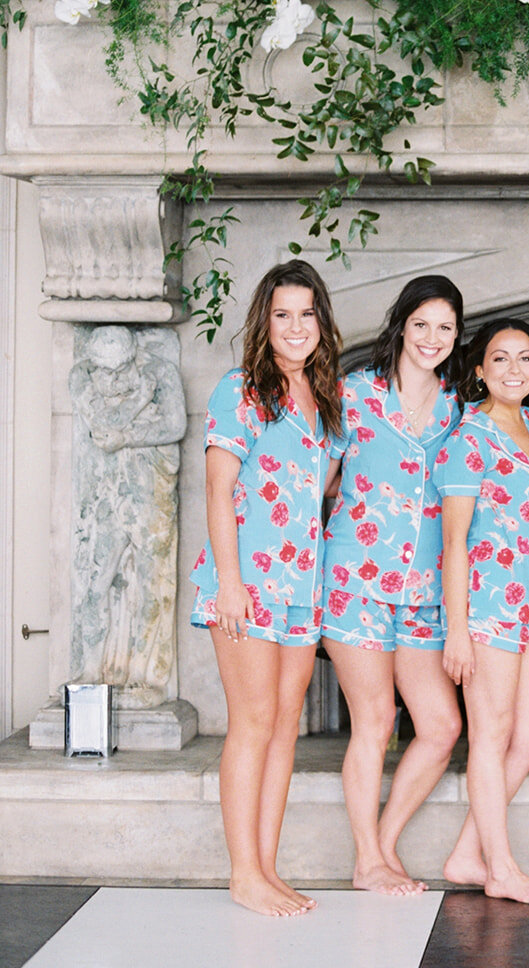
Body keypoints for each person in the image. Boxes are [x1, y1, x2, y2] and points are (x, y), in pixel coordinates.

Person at [190, 260, 345, 917]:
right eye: (282, 314)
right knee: (252, 723)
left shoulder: (323, 397)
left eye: (306, 314)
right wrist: (230, 583)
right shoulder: (241, 390)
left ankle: (268, 867)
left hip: (300, 588)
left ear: (321, 323)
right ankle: (243, 873)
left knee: (285, 727)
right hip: (247, 585)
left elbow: (321, 491)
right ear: (265, 320)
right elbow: (217, 487)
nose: (294, 326)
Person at [320, 275, 465, 894]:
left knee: (441, 727)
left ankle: (380, 846)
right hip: (357, 582)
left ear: (457, 337)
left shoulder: (462, 408)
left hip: (427, 591)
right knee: (375, 722)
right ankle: (368, 859)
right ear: (402, 324)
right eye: (423, 324)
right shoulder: (354, 395)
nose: (432, 338)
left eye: (446, 328)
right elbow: (318, 481)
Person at [437, 318, 529, 905]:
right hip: (488, 605)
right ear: (480, 370)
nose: (515, 369)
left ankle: (467, 853)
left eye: (525, 358)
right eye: (501, 359)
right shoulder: (470, 436)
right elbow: (455, 540)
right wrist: (457, 629)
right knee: (491, 734)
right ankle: (500, 868)